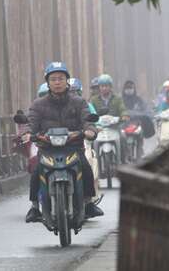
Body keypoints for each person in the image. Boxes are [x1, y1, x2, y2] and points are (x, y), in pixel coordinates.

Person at [24, 62, 104, 222]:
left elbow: (87, 120)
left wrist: (90, 130)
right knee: (36, 172)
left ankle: (88, 203)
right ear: (48, 82)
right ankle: (34, 207)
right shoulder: (38, 104)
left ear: (67, 80)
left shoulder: (79, 102)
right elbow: (31, 123)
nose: (57, 82)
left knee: (86, 169)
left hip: (73, 147)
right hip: (47, 148)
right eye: (53, 79)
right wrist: (28, 133)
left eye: (60, 78)